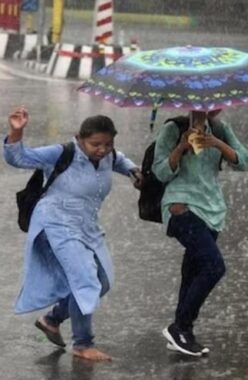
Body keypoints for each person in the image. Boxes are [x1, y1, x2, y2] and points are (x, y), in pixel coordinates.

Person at [3, 107, 142, 362]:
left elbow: (120, 160)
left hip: (86, 225)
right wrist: (16, 132)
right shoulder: (61, 153)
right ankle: (83, 344)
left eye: (108, 144)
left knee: (102, 281)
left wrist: (134, 171)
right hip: (56, 221)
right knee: (85, 280)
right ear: (80, 138)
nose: (102, 149)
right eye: (95, 144)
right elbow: (19, 158)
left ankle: (52, 320)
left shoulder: (109, 156)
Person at [153, 110, 248, 356]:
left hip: (212, 211)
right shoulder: (173, 129)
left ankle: (183, 332)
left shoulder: (219, 128)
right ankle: (179, 328)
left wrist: (218, 144)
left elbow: (244, 161)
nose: (208, 107)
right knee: (214, 266)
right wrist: (180, 147)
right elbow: (160, 172)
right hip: (181, 207)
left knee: (193, 270)